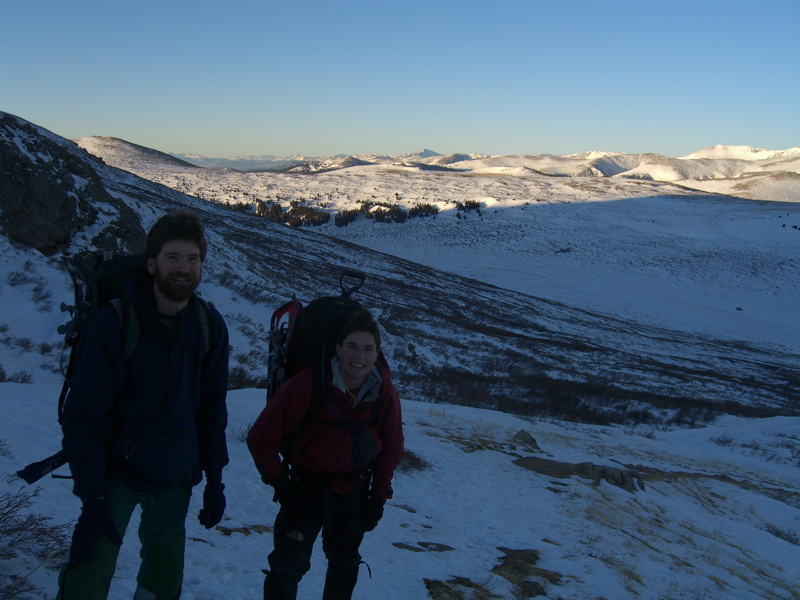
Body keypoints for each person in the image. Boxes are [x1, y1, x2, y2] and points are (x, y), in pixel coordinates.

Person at [57, 209, 230, 600]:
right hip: (116, 474)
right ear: (151, 263)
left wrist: (215, 478)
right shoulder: (114, 323)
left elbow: (212, 410)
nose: (184, 268)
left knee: (163, 580)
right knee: (89, 572)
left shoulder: (209, 325)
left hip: (176, 475)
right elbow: (84, 416)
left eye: (193, 259)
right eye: (173, 257)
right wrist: (92, 498)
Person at [247, 308, 404, 600]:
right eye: (352, 346)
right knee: (287, 566)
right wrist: (281, 483)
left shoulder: (382, 392)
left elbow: (392, 447)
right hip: (304, 489)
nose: (359, 356)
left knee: (345, 564)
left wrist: (378, 497)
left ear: (377, 354)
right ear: (338, 349)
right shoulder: (307, 384)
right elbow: (261, 437)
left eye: (368, 349)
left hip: (353, 492)